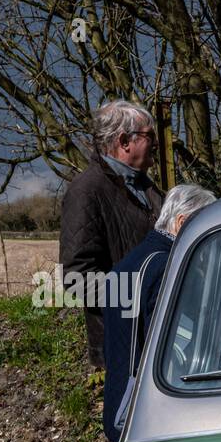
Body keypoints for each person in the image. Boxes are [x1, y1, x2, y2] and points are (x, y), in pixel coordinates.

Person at [102, 183, 216, 442]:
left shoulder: (131, 262)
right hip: (149, 412)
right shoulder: (166, 267)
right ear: (182, 222)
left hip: (121, 402)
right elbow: (175, 348)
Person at [60, 100, 165, 369]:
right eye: (149, 136)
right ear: (124, 141)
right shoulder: (87, 191)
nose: (156, 143)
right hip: (124, 343)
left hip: (158, 334)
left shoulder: (147, 187)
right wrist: (141, 296)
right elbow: (77, 277)